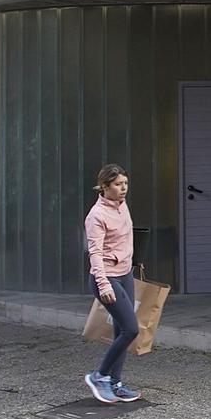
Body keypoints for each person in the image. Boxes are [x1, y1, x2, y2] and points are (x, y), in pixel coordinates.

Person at [83, 163, 143, 404]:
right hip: (105, 277)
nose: (123, 188)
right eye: (118, 184)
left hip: (124, 273)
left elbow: (126, 238)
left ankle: (116, 384)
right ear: (104, 186)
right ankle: (100, 376)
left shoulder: (121, 206)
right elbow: (95, 254)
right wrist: (104, 284)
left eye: (126, 184)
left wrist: (132, 262)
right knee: (132, 329)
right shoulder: (96, 216)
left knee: (121, 330)